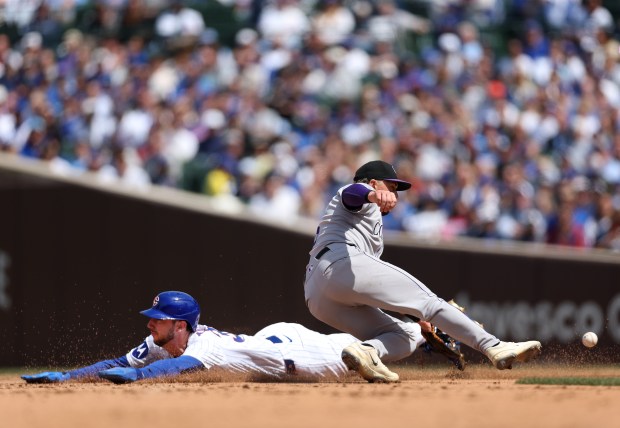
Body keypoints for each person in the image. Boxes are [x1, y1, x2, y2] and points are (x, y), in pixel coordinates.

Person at [303, 160, 542, 383]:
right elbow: (351, 194)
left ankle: (367, 351)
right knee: (431, 303)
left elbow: (379, 290)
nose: (395, 194)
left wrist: (419, 320)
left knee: (407, 335)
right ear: (373, 182)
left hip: (318, 298)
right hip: (340, 263)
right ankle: (495, 346)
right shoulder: (360, 194)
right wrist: (373, 193)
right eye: (391, 186)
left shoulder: (367, 222)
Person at [21, 291, 369, 384]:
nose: (150, 325)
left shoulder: (205, 346)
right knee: (272, 336)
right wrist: (67, 377)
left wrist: (137, 377)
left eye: (159, 320)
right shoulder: (162, 342)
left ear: (181, 326)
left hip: (310, 360)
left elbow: (178, 368)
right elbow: (117, 363)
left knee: (363, 350)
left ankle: (420, 329)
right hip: (274, 339)